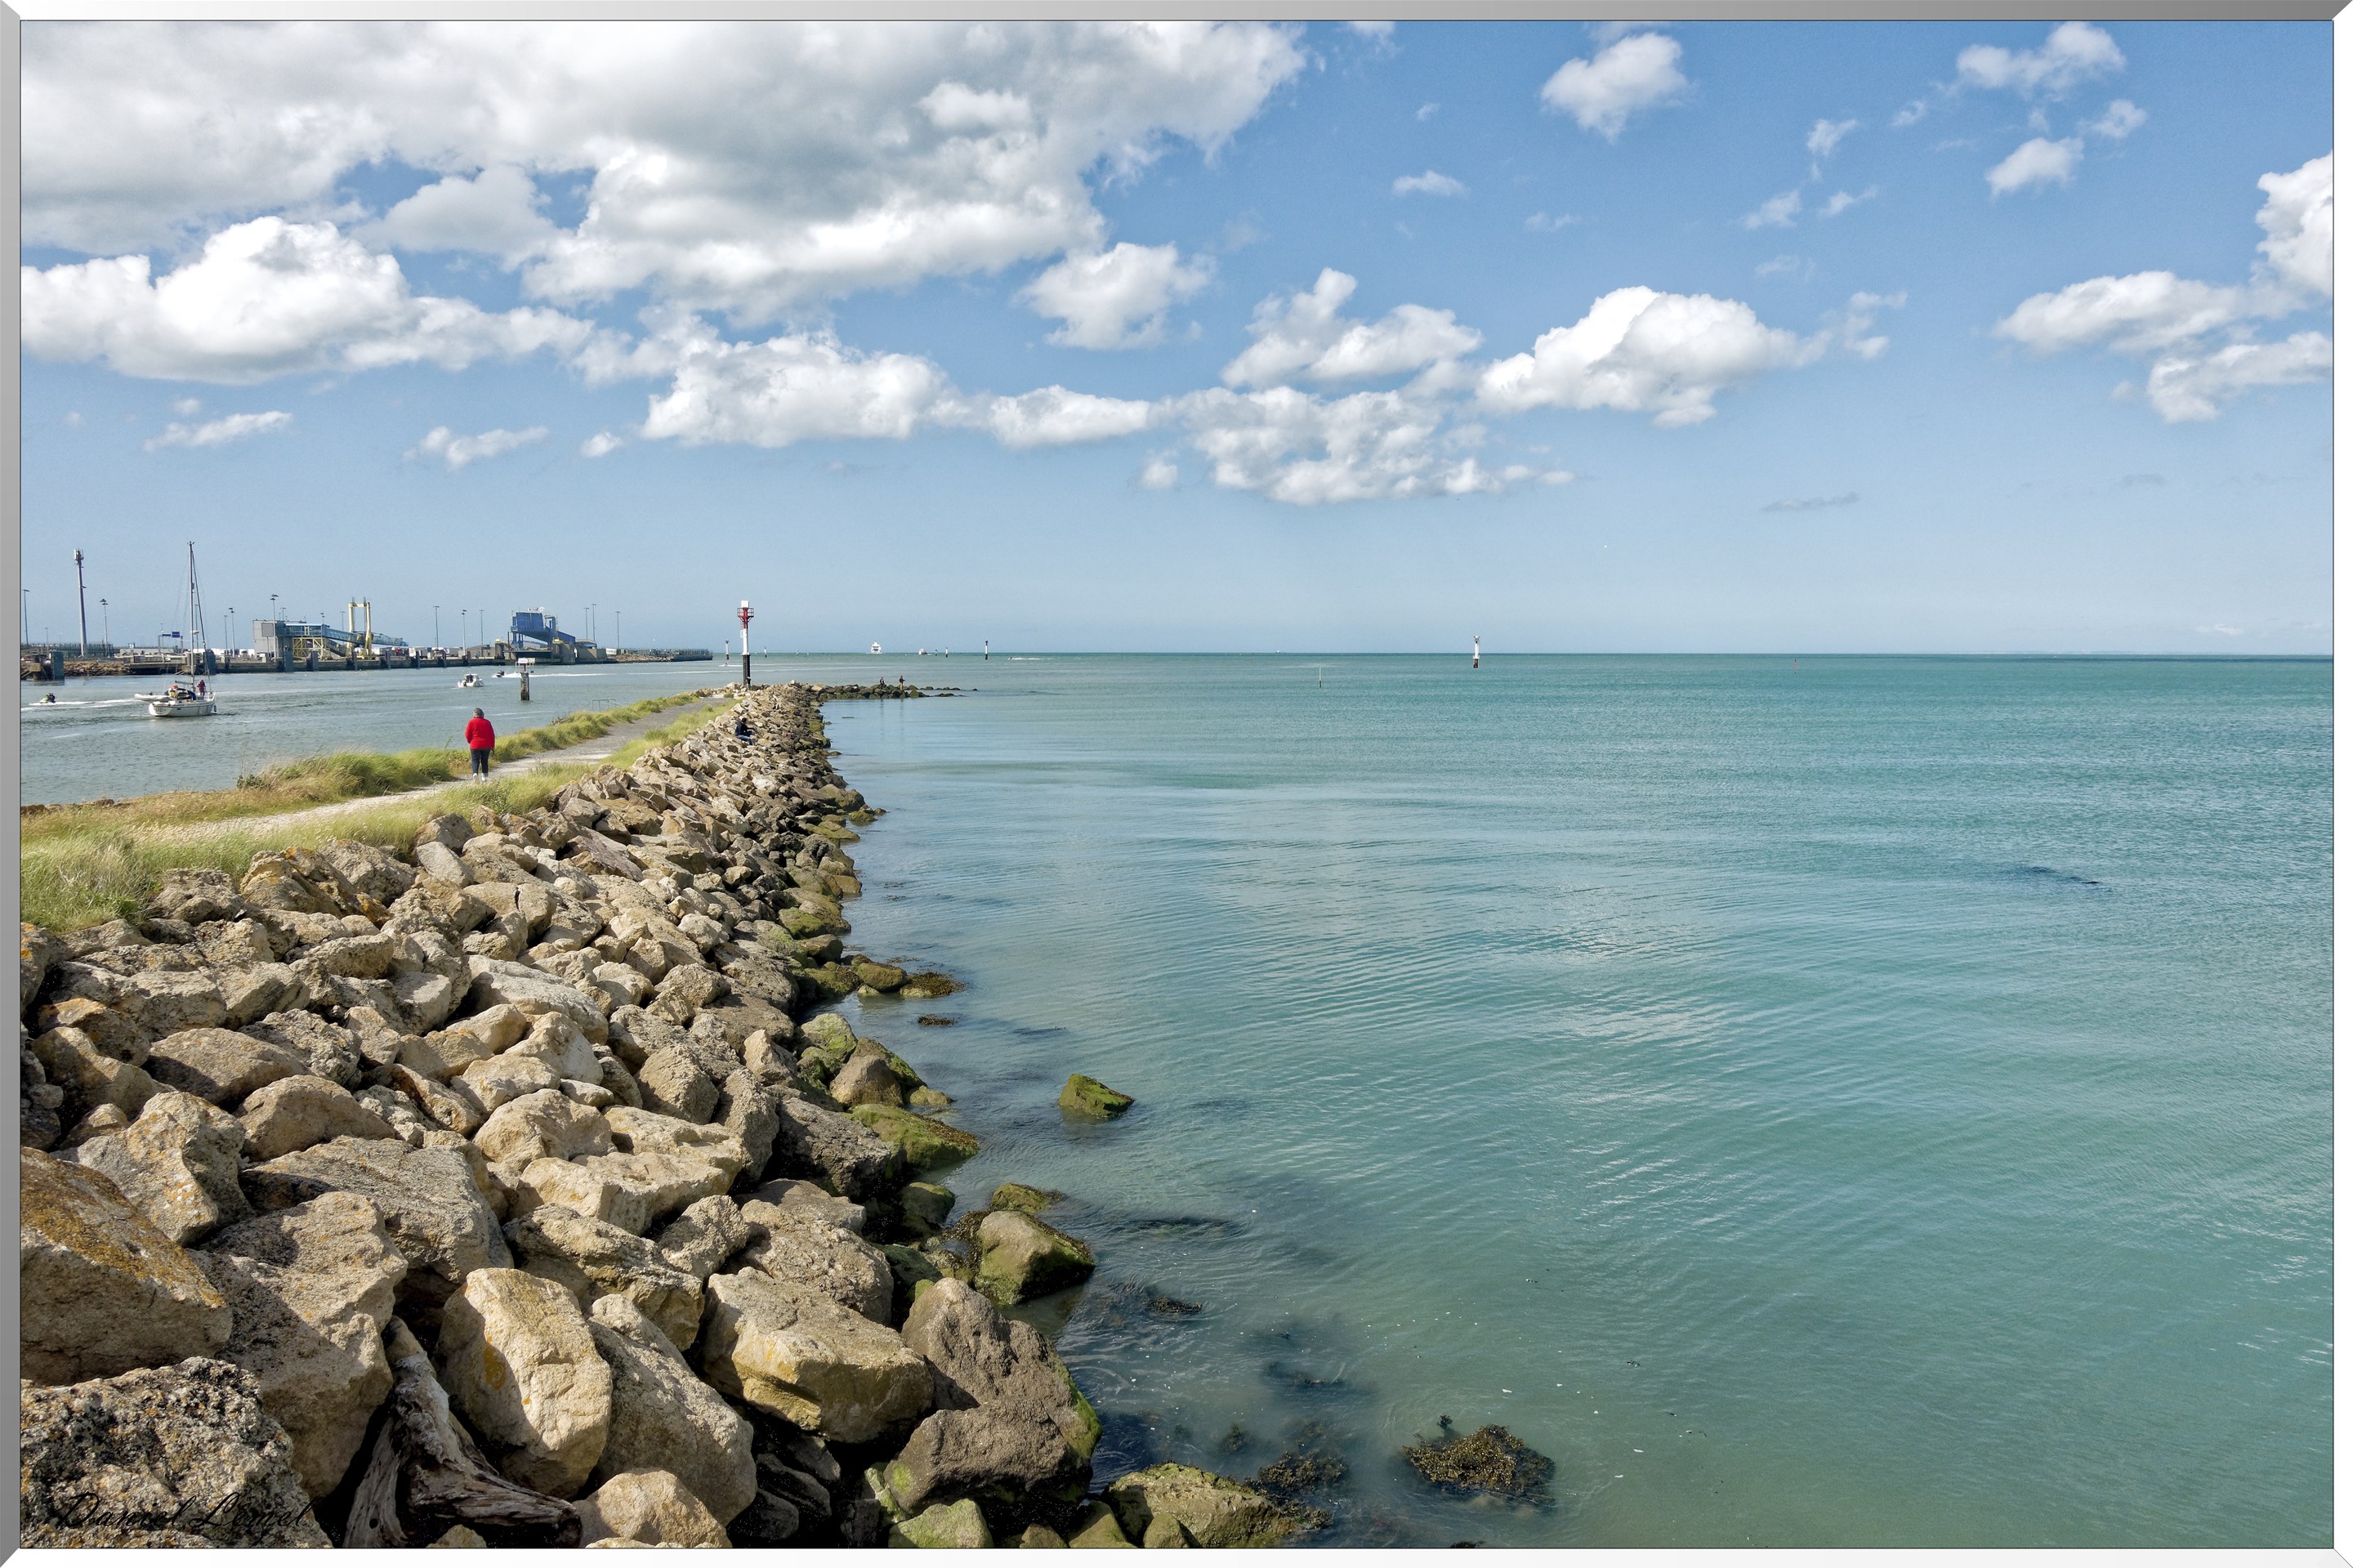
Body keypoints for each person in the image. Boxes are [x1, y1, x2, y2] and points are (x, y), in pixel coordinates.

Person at [465, 707, 496, 778]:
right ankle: (484, 776)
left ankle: (475, 773)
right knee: (484, 761)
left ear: (474, 715)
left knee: (475, 761)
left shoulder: (471, 722)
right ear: (482, 715)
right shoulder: (487, 722)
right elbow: (492, 735)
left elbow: (467, 734)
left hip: (474, 745)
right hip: (486, 745)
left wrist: (470, 741)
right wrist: (492, 745)